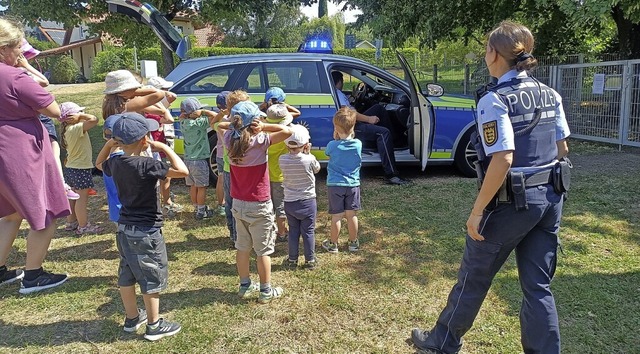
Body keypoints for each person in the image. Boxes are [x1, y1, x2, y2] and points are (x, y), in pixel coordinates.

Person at [411, 21, 571, 354]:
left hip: (509, 204)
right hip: (549, 201)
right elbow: (562, 150)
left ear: (493, 53)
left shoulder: (495, 100)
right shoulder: (550, 94)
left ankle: (442, 342)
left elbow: (502, 159)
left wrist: (477, 210)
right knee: (538, 287)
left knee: (474, 276)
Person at [96, 112, 189, 341]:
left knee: (126, 274)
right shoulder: (149, 164)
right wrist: (165, 149)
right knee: (151, 276)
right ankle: (154, 325)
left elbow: (98, 164)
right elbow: (183, 172)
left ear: (117, 140)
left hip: (125, 228)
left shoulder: (115, 161)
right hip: (146, 231)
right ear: (145, 139)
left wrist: (109, 146)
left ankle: (131, 319)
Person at [0, 17, 69, 294]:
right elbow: (52, 109)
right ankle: (33, 275)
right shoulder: (13, 76)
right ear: (5, 48)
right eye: (18, 47)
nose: (20, 53)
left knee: (11, 214)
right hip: (19, 151)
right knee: (44, 213)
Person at [220, 101, 292, 304]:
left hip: (238, 204)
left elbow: (220, 126)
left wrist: (237, 125)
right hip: (259, 204)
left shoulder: (228, 139)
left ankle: (244, 285)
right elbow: (286, 131)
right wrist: (264, 127)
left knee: (242, 247)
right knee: (263, 251)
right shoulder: (261, 140)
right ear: (255, 123)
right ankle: (265, 290)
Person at [331, 70, 409, 185]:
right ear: (339, 82)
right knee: (383, 133)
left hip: (352, 121)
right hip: (350, 126)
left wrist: (353, 98)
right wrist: (369, 119)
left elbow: (350, 109)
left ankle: (392, 142)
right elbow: (347, 114)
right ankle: (391, 174)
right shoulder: (338, 93)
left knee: (379, 108)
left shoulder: (338, 93)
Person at [279, 124, 320, 269]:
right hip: (307, 201)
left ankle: (292, 259)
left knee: (293, 231)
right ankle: (310, 260)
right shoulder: (309, 159)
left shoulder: (282, 159)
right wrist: (308, 153)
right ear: (305, 145)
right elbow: (317, 169)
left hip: (290, 201)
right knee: (308, 231)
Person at [321, 107, 362, 254]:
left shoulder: (332, 145)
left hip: (335, 185)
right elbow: (352, 140)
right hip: (352, 185)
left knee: (336, 216)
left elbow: (328, 154)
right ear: (353, 127)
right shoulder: (358, 144)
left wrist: (336, 138)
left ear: (336, 128)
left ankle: (333, 244)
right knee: (352, 215)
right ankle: (353, 242)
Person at [59, 102, 102, 235]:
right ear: (71, 117)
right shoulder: (77, 128)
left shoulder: (67, 130)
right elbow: (94, 119)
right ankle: (83, 226)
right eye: (77, 112)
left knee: (72, 197)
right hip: (80, 169)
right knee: (81, 199)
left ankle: (71, 222)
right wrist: (81, 116)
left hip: (71, 168)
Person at [144, 76, 182, 217]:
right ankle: (166, 203)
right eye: (164, 89)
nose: (167, 92)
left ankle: (165, 201)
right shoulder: (152, 110)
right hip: (157, 148)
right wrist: (160, 101)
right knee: (164, 176)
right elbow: (169, 119)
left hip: (157, 146)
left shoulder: (148, 107)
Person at [179, 97, 222, 219]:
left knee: (193, 185)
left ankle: (196, 206)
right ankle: (201, 211)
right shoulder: (200, 123)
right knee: (202, 187)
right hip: (200, 160)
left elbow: (183, 116)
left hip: (187, 160)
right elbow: (216, 116)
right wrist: (204, 113)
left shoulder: (183, 122)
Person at [265, 104, 294, 242]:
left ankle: (269, 229)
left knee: (269, 205)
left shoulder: (265, 136)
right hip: (281, 177)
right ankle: (282, 232)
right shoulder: (285, 137)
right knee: (280, 206)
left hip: (266, 176)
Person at [102, 115, 124, 224]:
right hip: (132, 211)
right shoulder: (128, 159)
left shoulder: (106, 162)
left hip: (116, 212)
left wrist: (107, 146)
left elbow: (98, 163)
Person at [212, 91, 231, 217]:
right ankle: (230, 203)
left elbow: (212, 123)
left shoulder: (219, 119)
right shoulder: (231, 119)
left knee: (220, 179)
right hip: (229, 155)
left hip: (219, 153)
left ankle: (221, 204)